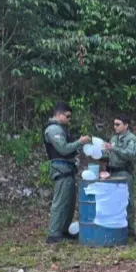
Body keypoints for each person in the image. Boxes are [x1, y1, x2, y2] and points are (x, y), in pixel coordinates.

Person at [43, 102, 91, 244]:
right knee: (60, 203)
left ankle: (64, 230)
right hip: (61, 168)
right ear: (59, 114)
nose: (70, 119)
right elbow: (63, 149)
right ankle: (53, 234)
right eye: (68, 116)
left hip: (68, 169)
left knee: (69, 203)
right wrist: (79, 142)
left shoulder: (63, 129)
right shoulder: (53, 130)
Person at [104, 114, 136, 238]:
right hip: (112, 172)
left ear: (126, 125)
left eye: (118, 124)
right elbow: (110, 155)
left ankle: (130, 229)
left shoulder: (132, 139)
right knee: (114, 201)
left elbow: (130, 154)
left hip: (124, 172)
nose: (115, 127)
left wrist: (114, 149)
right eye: (114, 124)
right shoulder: (114, 138)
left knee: (127, 201)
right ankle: (116, 228)